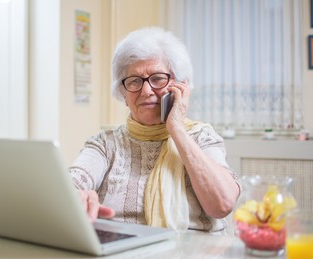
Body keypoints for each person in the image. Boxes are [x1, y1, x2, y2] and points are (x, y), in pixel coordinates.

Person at [69, 27, 241, 233]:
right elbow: (71, 182)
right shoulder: (105, 144)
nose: (146, 90)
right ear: (123, 94)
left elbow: (221, 204)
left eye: (158, 78)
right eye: (134, 81)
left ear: (181, 86)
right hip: (121, 253)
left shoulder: (202, 137)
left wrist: (176, 128)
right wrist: (73, 195)